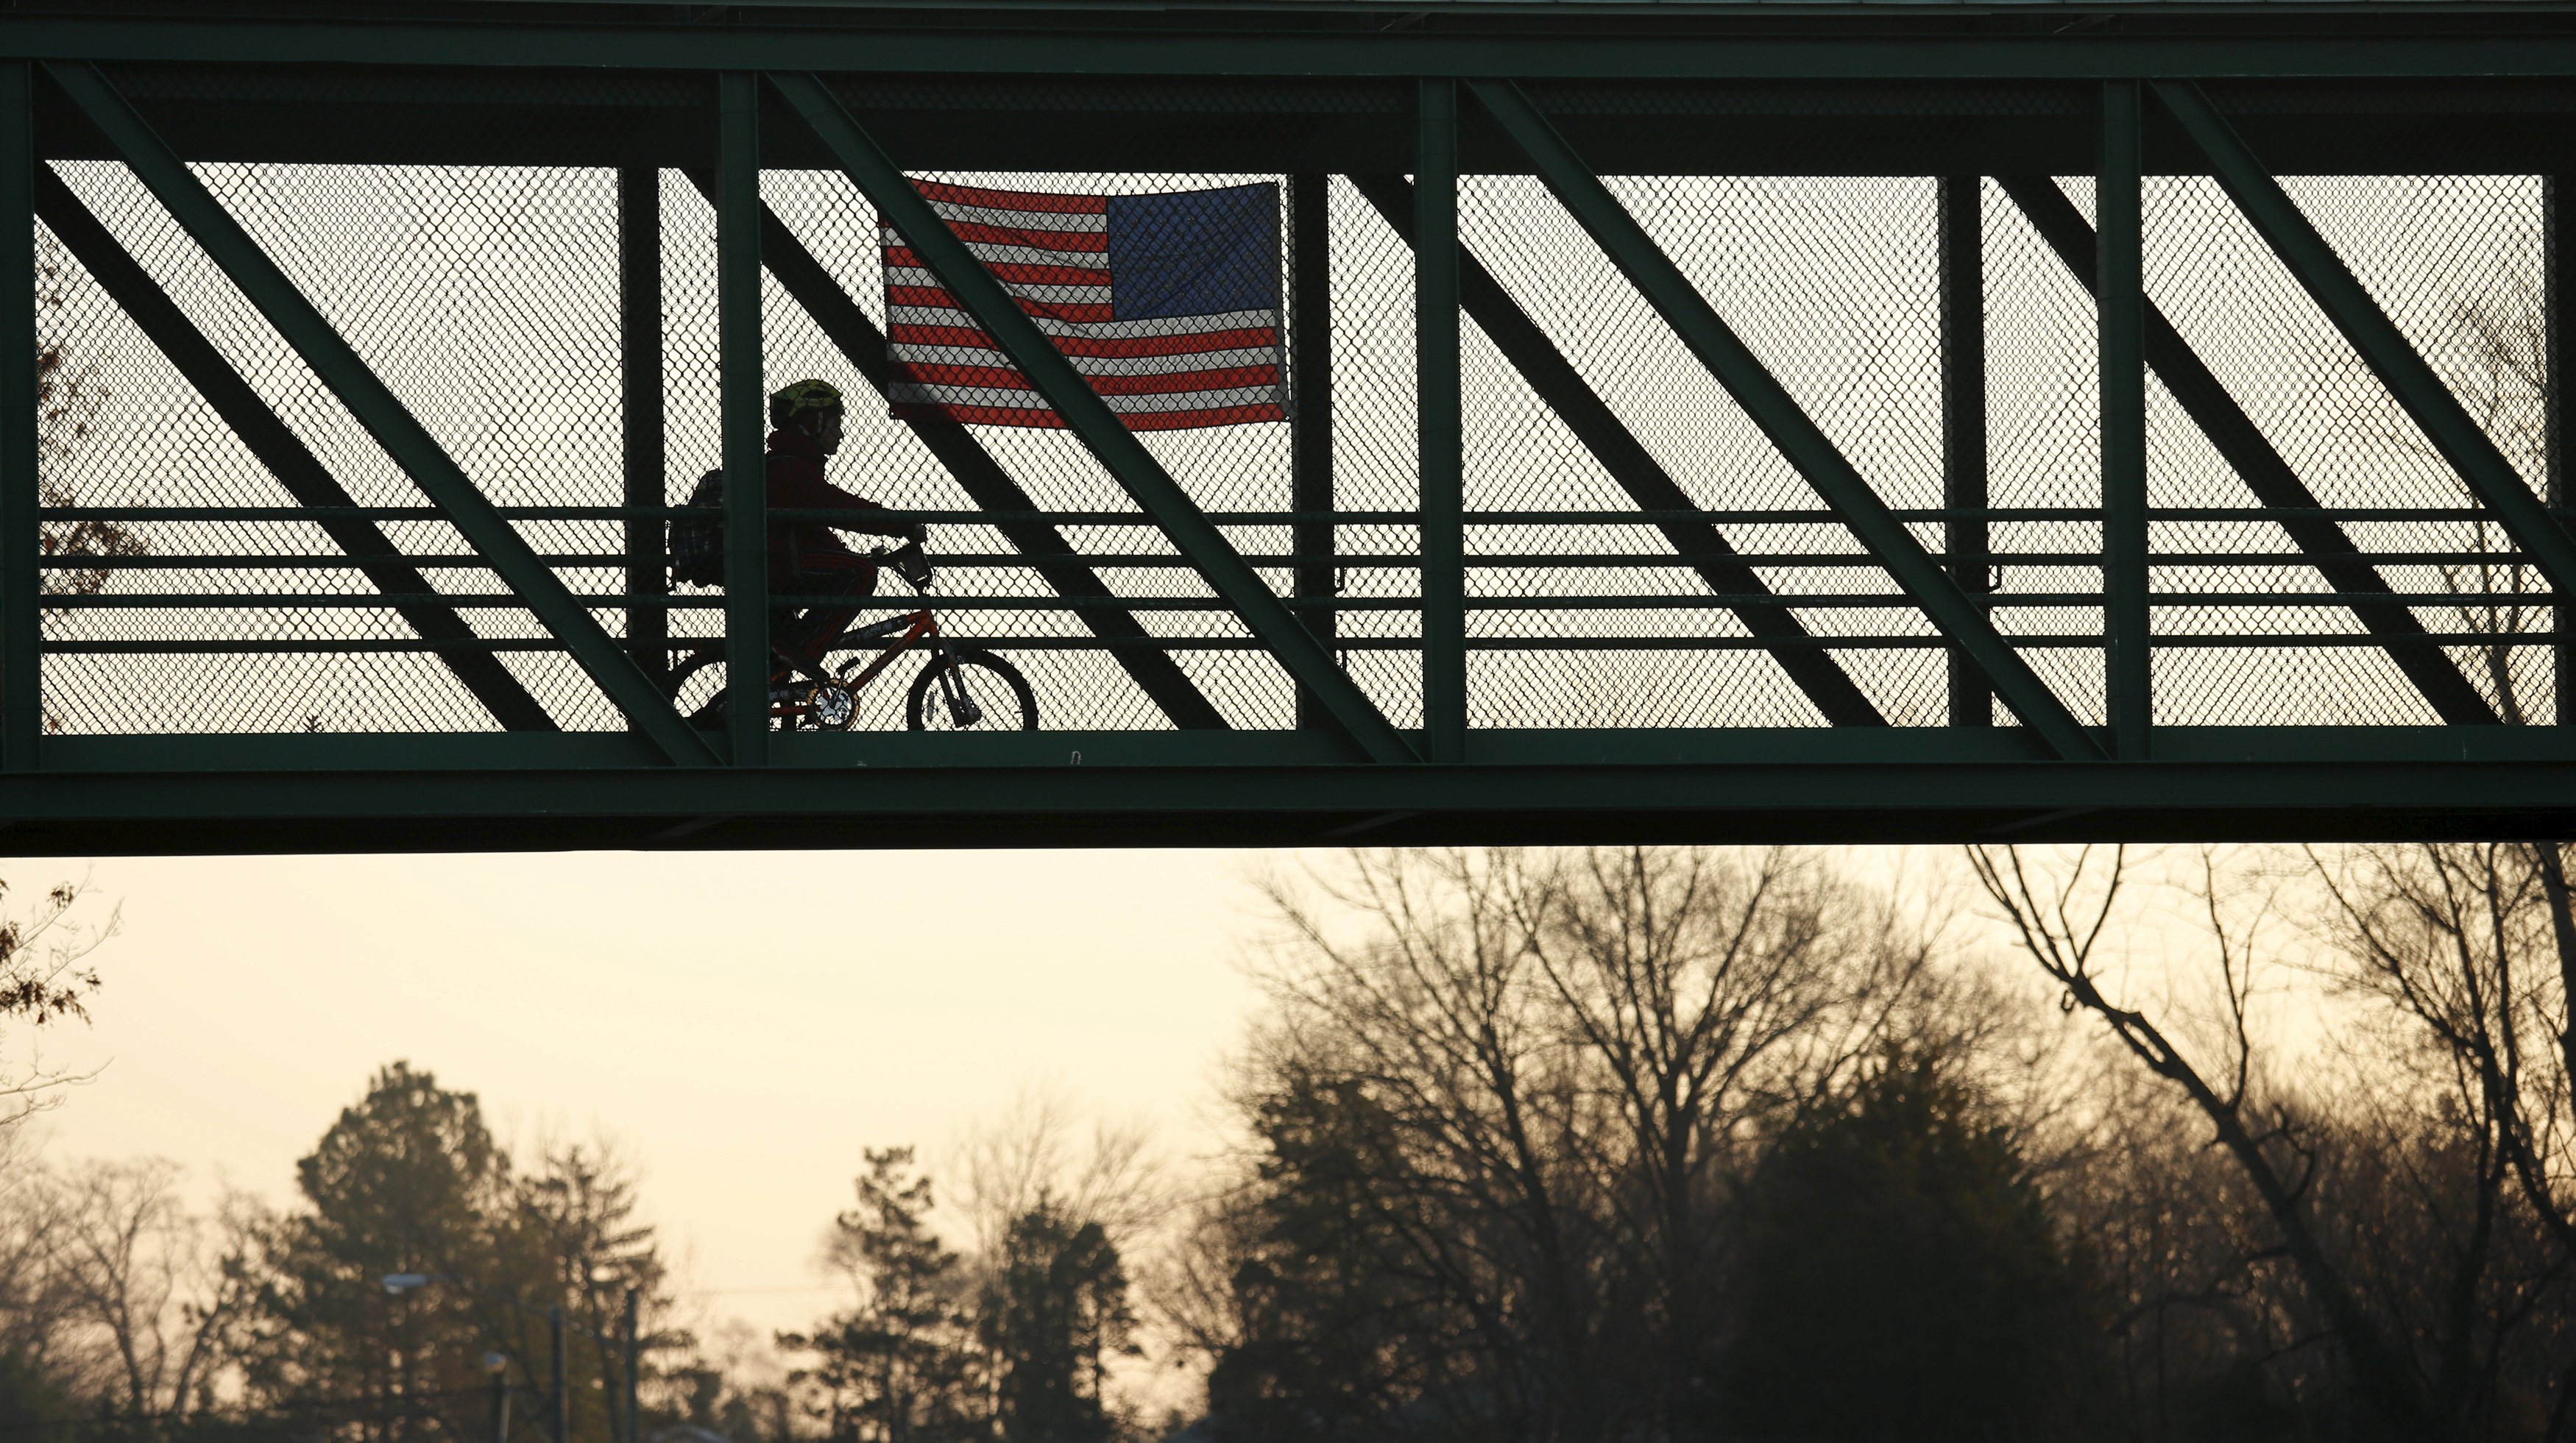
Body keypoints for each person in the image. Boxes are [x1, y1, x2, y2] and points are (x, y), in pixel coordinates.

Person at [762, 379, 922, 678]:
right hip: (779, 564)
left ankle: (788, 660)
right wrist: (898, 523)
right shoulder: (791, 469)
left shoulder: (788, 465)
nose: (841, 433)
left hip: (780, 561)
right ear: (814, 422)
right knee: (859, 572)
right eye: (835, 424)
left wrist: (838, 550)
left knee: (774, 670)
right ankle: (803, 652)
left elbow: (808, 528)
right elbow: (837, 508)